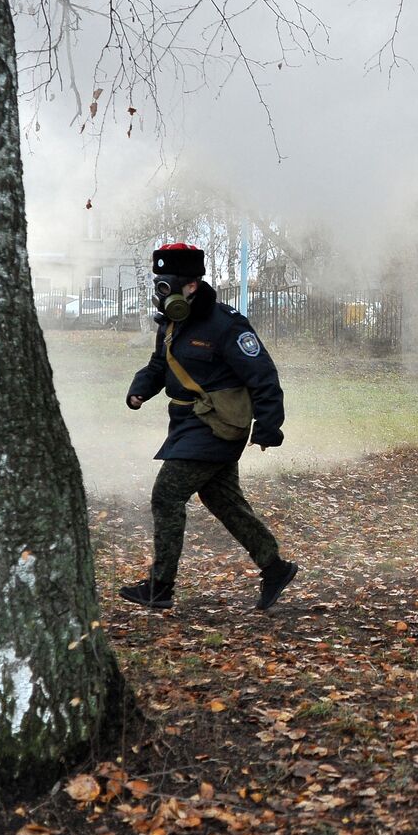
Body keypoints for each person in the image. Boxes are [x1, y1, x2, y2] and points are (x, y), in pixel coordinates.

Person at [120, 243, 298, 610]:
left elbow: (262, 374)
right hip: (188, 424)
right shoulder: (171, 324)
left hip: (216, 425)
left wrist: (269, 425)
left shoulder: (227, 325)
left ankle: (161, 586)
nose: (162, 292)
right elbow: (159, 365)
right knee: (223, 501)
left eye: (169, 285)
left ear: (192, 287)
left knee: (167, 495)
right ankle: (275, 567)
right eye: (160, 285)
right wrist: (139, 391)